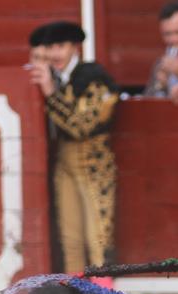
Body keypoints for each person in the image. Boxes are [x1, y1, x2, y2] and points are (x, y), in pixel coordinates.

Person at [28, 21, 119, 276]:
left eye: (61, 46)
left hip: (93, 166)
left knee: (98, 241)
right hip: (65, 164)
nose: (56, 54)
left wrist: (50, 93)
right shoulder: (58, 78)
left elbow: (80, 127)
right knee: (71, 242)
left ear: (75, 47)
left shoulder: (93, 78)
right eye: (51, 47)